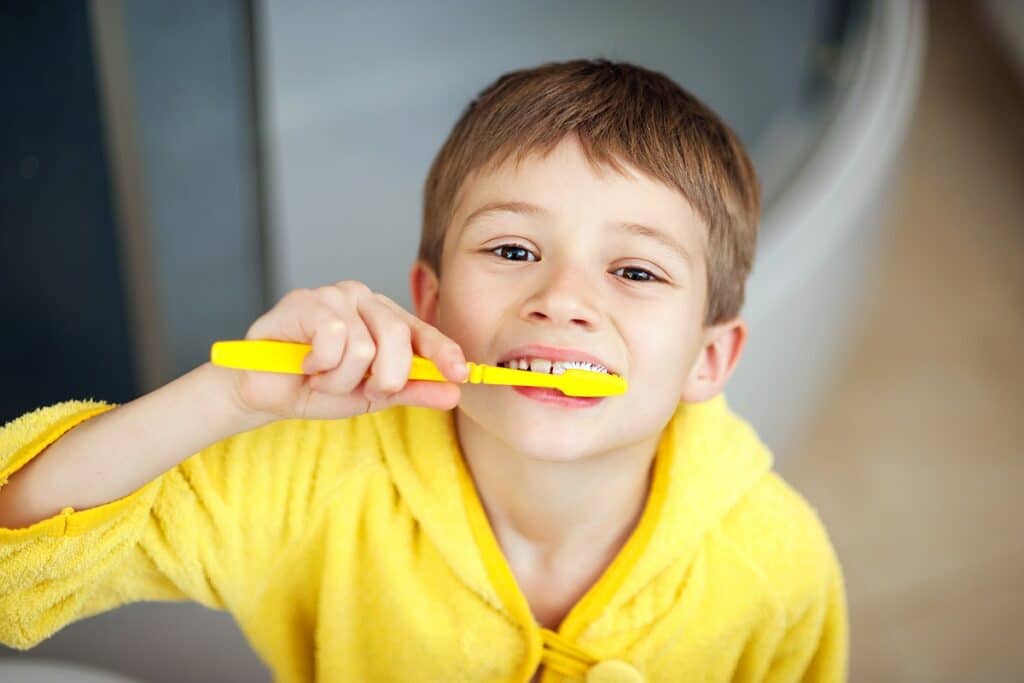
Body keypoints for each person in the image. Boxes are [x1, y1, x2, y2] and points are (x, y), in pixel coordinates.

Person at [0, 60, 847, 682]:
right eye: (514, 249)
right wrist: (229, 393)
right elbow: (14, 564)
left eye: (635, 271)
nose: (563, 300)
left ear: (709, 359)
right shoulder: (312, 481)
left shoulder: (777, 571)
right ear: (431, 304)